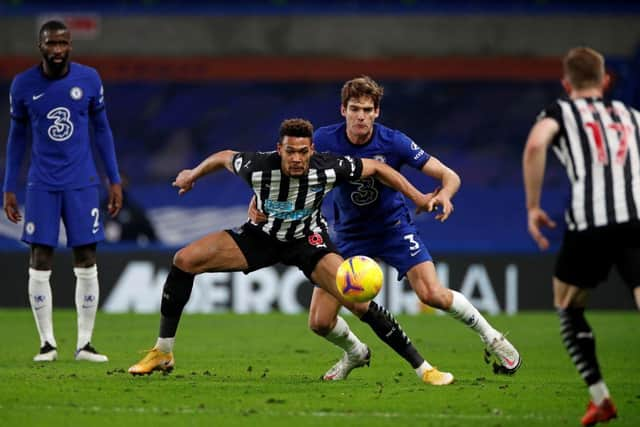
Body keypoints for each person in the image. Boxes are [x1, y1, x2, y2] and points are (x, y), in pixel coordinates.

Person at [128, 118, 453, 386]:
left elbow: (378, 169)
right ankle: (163, 351)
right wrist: (192, 175)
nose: (296, 159)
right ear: (279, 149)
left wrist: (418, 197)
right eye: (289, 152)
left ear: (312, 150)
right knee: (184, 260)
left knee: (357, 302)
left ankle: (423, 369)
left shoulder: (328, 167)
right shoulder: (257, 166)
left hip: (307, 241)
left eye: (302, 152)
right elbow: (223, 156)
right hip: (262, 237)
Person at [250, 76, 521, 380]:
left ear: (377, 112)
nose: (361, 116)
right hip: (349, 237)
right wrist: (257, 199)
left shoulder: (394, 142)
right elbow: (282, 168)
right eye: (355, 109)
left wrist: (444, 195)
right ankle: (355, 352)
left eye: (367, 109)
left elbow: (450, 175)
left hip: (393, 229)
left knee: (432, 294)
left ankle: (493, 338)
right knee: (320, 322)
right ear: (343, 110)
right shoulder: (324, 140)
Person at [522, 47, 640, 426]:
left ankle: (600, 398)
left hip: (592, 221)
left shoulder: (560, 112)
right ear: (605, 81)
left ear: (565, 83)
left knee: (568, 304)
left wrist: (533, 206)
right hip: (637, 218)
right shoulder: (633, 116)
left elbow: (537, 144)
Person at [2, 20, 122, 362]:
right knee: (40, 258)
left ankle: (85, 344)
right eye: (51, 44)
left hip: (83, 183)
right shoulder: (23, 85)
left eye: (63, 43)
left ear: (71, 45)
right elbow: (17, 139)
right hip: (41, 184)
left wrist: (113, 179)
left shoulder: (89, 79)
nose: (57, 50)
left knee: (86, 258)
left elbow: (102, 131)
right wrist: (9, 186)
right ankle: (47, 344)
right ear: (40, 46)